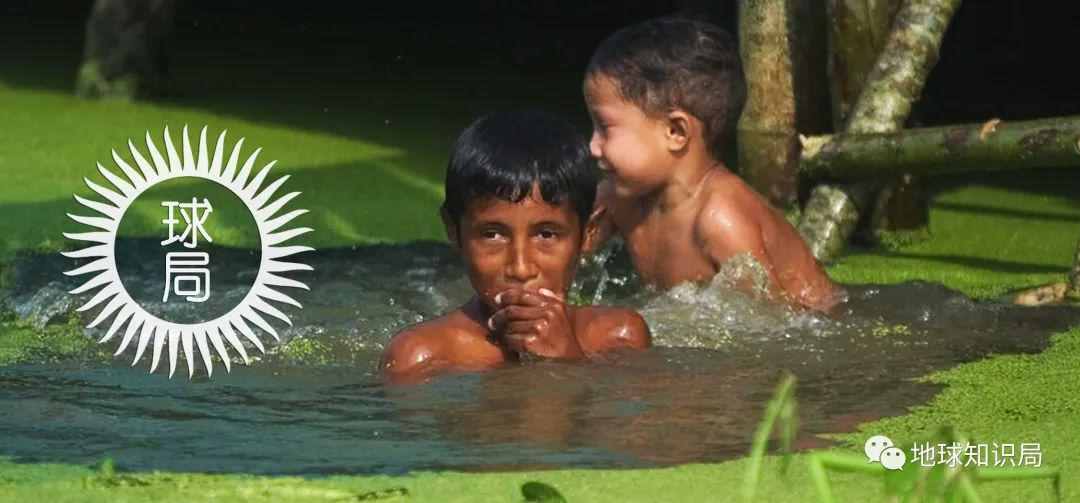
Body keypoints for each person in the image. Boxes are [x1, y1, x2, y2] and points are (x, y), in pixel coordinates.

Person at [583, 17, 843, 311]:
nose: (592, 146)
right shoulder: (617, 200)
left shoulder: (720, 221)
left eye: (604, 127)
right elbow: (557, 255)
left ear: (676, 132)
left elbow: (771, 331)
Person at [381, 111, 651, 384]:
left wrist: (568, 361)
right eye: (492, 235)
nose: (520, 268)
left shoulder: (619, 337)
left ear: (588, 233)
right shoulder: (422, 358)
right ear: (453, 230)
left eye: (546, 234)